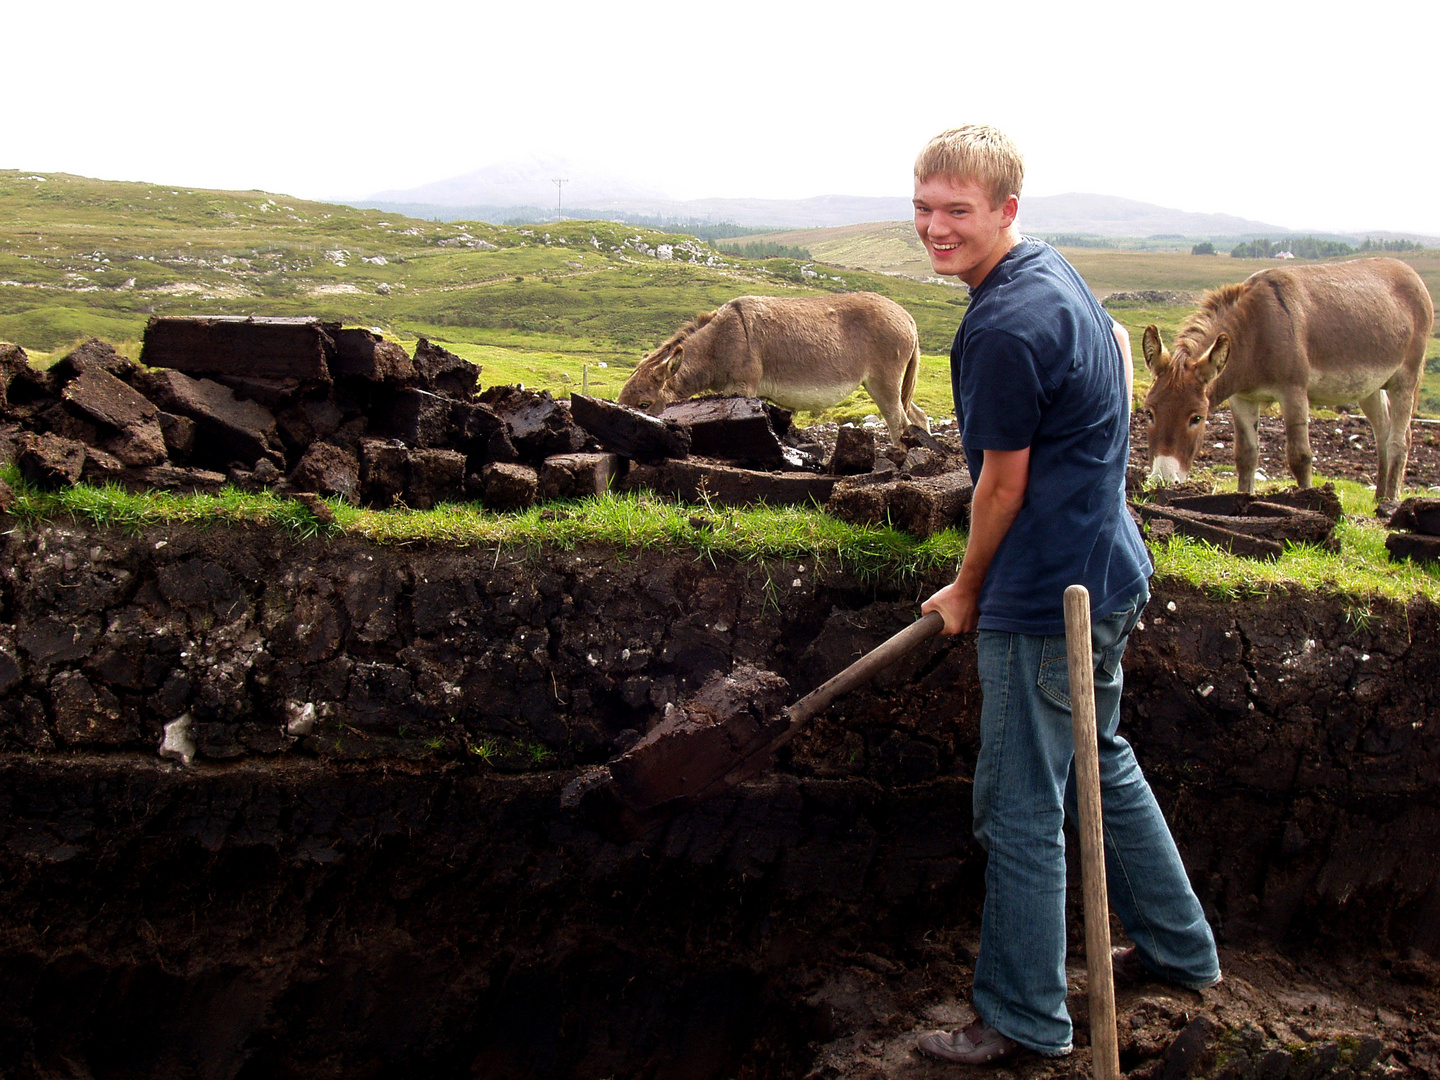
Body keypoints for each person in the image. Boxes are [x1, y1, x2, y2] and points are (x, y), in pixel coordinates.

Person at [912, 125, 1220, 1067]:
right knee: (1100, 760)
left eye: (957, 211)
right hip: (1109, 564)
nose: (935, 228)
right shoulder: (1047, 272)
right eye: (924, 208)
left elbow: (1000, 486)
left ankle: (1021, 1016)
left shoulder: (1001, 327)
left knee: (1019, 803)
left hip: (1049, 595)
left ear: (1007, 209)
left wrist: (967, 590)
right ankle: (1178, 946)